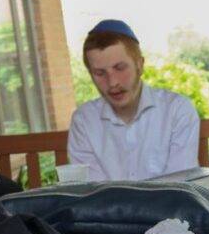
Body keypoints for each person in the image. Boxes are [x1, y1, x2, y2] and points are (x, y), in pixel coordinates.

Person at [68, 19, 200, 181]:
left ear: (140, 65)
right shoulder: (83, 121)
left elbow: (180, 185)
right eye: (100, 73)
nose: (112, 82)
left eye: (120, 68)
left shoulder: (177, 110)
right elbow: (93, 191)